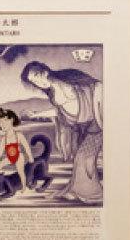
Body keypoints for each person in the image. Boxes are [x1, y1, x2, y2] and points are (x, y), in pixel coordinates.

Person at [21, 60, 103, 203]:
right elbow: (59, 112)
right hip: (80, 127)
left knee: (83, 158)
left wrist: (99, 113)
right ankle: (78, 190)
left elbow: (97, 86)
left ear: (45, 71)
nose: (38, 83)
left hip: (94, 124)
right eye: (33, 82)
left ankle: (93, 194)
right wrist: (36, 114)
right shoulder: (52, 92)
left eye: (37, 77)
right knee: (83, 159)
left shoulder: (67, 78)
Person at [0, 108, 32, 194]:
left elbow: (26, 147)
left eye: (4, 121)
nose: (2, 124)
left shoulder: (18, 135)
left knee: (20, 172)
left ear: (11, 120)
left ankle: (24, 186)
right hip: (9, 157)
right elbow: (0, 152)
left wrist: (30, 157)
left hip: (18, 156)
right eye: (0, 122)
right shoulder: (3, 139)